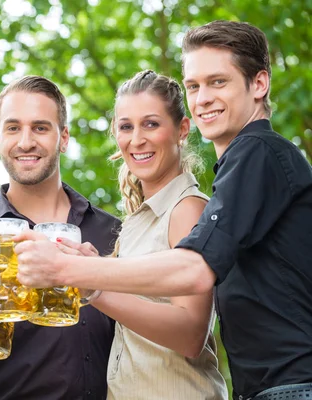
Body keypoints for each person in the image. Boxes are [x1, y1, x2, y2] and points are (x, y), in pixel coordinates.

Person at [14, 20, 312, 400]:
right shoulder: (243, 168)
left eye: (217, 82)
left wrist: (71, 271)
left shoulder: (258, 152)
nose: (202, 97)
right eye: (193, 86)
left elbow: (196, 270)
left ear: (259, 84)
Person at [0, 75, 121, 399]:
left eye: (40, 127)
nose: (25, 142)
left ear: (63, 138)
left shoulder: (111, 233)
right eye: (12, 128)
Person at [87, 69, 226, 399]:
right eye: (126, 127)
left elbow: (191, 334)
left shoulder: (186, 209)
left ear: (181, 130)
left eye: (151, 124)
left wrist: (94, 289)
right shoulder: (141, 219)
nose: (137, 139)